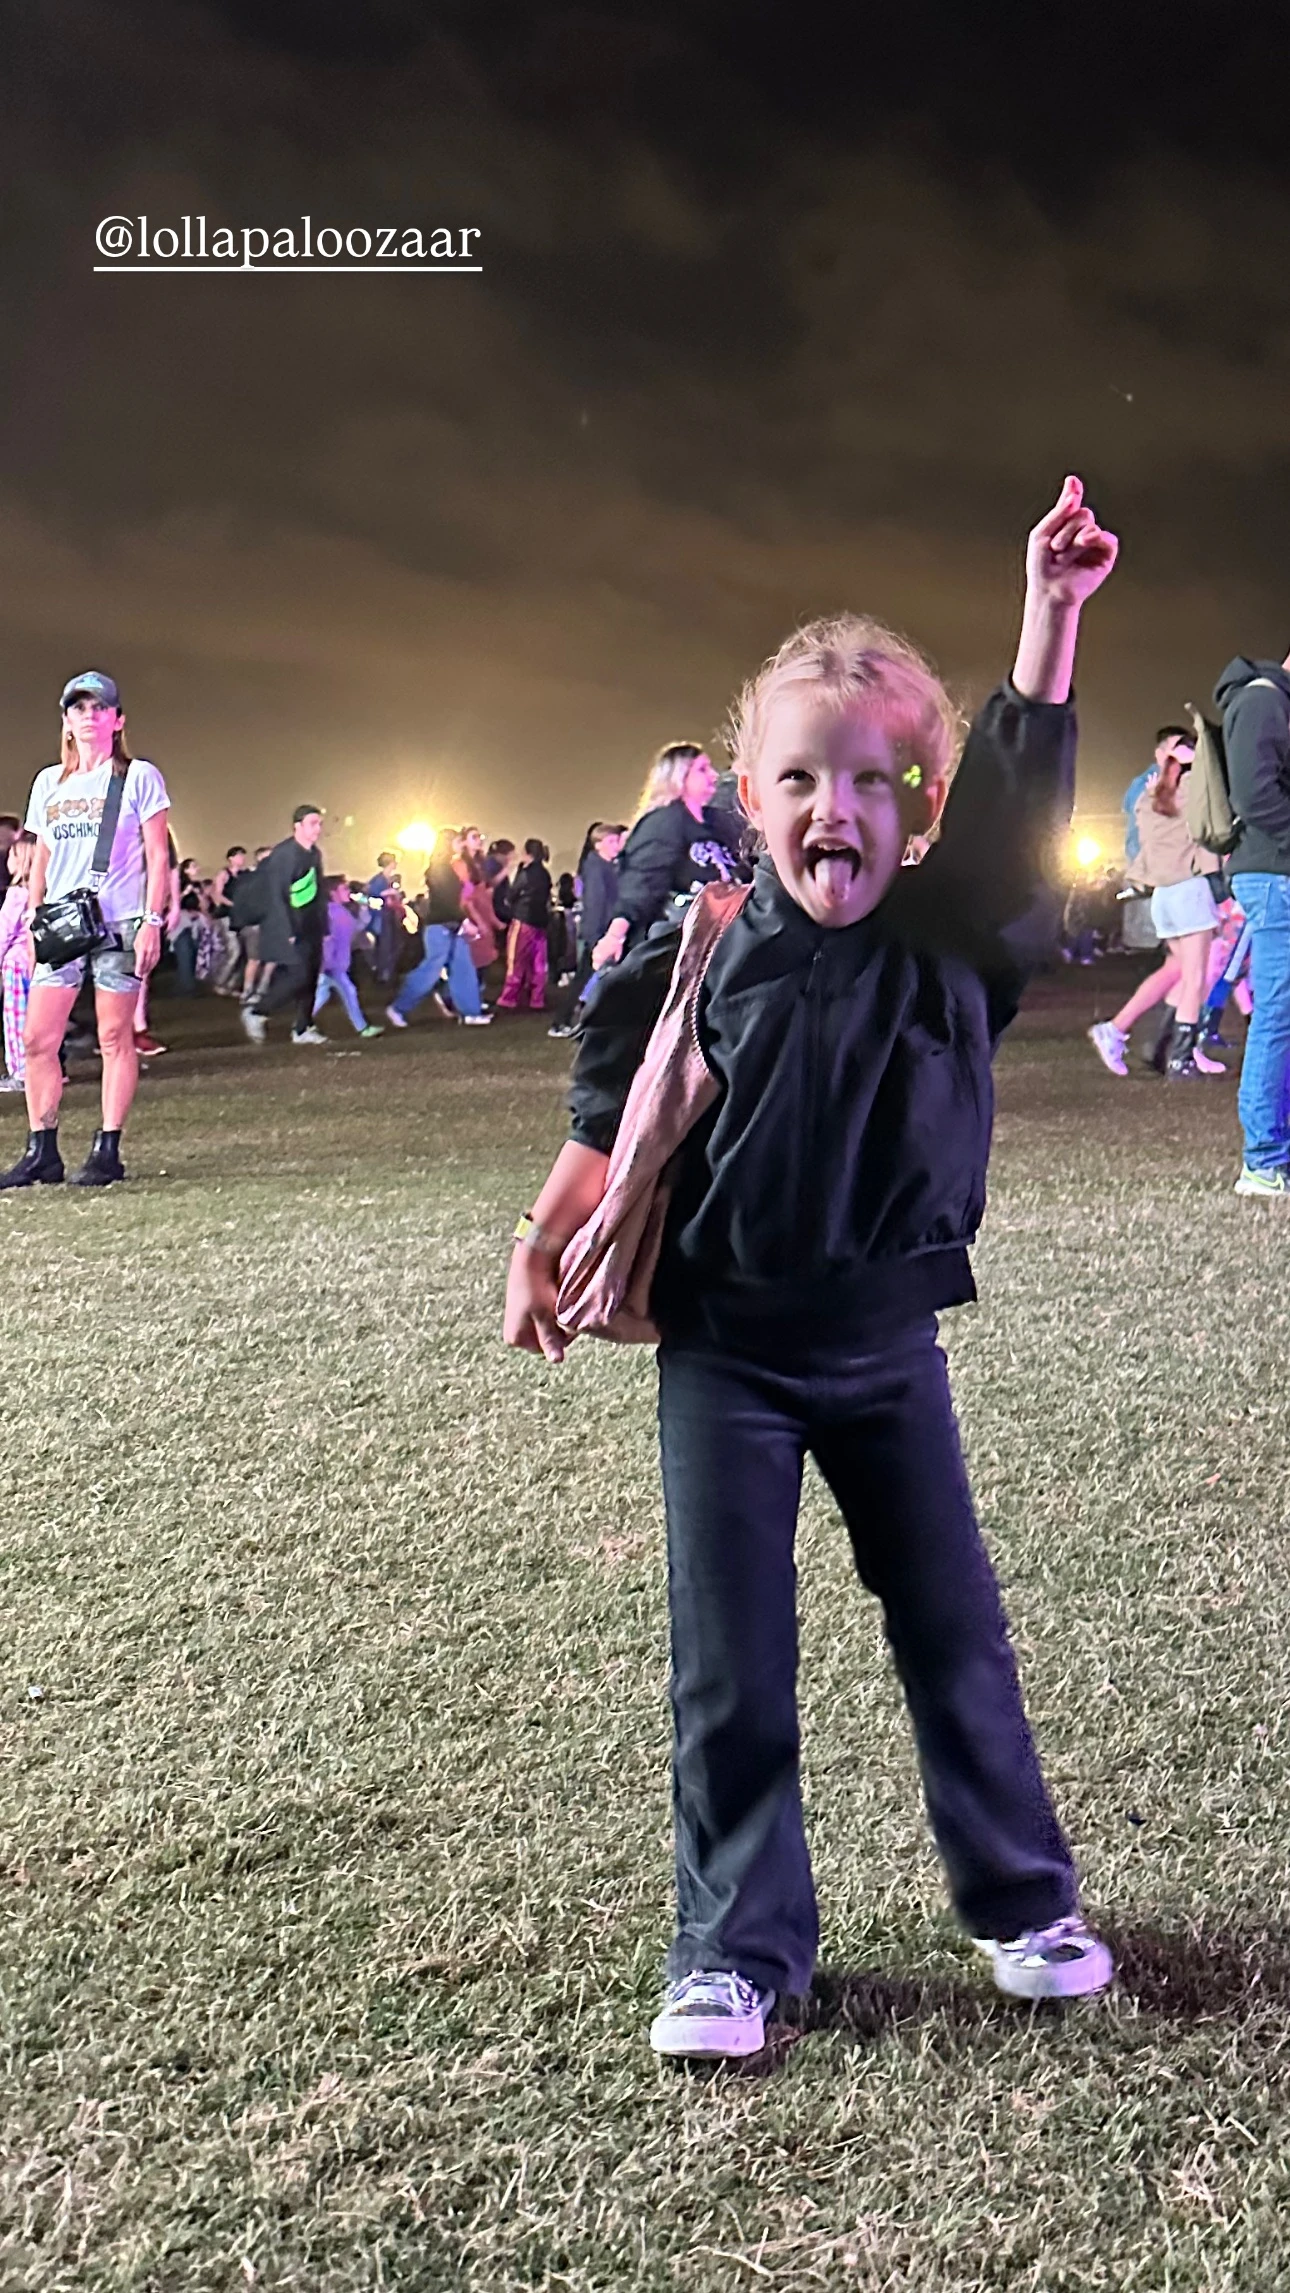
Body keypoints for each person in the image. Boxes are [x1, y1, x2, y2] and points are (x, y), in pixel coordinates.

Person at [505, 476, 1119, 2062]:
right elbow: (608, 1119)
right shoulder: (697, 946)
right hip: (720, 1350)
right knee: (730, 1653)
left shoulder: (956, 935)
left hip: (885, 1348)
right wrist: (540, 1238)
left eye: (869, 779)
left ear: (916, 805)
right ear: (751, 795)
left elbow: (1013, 795)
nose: (829, 807)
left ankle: (1017, 1899)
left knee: (950, 1625)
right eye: (796, 776)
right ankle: (735, 1948)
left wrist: (1048, 621)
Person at [1, 669, 170, 1189]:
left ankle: (107, 1147)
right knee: (37, 1039)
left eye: (100, 708)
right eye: (79, 708)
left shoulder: (139, 776)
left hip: (119, 921)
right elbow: (42, 857)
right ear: (66, 721)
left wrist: (152, 921)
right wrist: (32, 921)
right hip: (62, 924)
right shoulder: (50, 783)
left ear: (117, 720)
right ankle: (41, 1150)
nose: (89, 717)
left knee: (115, 1034)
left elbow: (158, 856)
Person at [1088, 749, 1223, 1079]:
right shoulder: (1194, 790)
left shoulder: (1148, 798)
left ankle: (1117, 1030)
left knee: (1175, 969)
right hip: (1189, 890)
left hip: (1163, 896)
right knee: (1195, 979)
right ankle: (1181, 1058)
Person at [1214, 653, 1290, 1196]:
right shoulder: (1262, 700)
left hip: (1276, 870)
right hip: (1275, 874)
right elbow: (1255, 793)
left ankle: (1270, 1155)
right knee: (1278, 1017)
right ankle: (1262, 1161)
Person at [591, 743, 743, 973]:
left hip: (724, 940)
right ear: (679, 777)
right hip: (679, 945)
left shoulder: (719, 822)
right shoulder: (663, 823)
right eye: (702, 769)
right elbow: (642, 884)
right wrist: (614, 935)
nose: (713, 775)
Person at [241, 806, 328, 1046]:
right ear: (297, 826)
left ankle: (302, 1028)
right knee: (298, 976)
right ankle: (258, 1011)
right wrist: (286, 929)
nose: (317, 829)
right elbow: (277, 895)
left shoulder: (314, 854)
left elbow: (319, 892)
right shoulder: (284, 854)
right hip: (292, 927)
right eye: (312, 823)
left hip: (312, 926)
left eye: (319, 823)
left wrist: (324, 926)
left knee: (310, 977)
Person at [385, 836, 492, 1029]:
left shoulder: (446, 868)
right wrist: (464, 922)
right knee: (430, 971)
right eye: (458, 841)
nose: (462, 845)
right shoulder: (440, 869)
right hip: (441, 926)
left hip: (451, 925)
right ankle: (398, 1007)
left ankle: (471, 1012)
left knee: (464, 968)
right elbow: (445, 902)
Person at [548, 822, 627, 1038]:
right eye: (611, 841)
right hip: (599, 931)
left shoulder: (608, 866)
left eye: (616, 840)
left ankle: (569, 1020)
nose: (616, 845)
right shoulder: (596, 868)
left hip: (604, 930)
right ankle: (561, 1022)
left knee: (587, 978)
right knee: (584, 978)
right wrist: (599, 934)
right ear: (598, 844)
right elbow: (596, 903)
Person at [313, 876, 382, 1037]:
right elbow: (327, 940)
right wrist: (325, 962)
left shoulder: (337, 911)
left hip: (333, 964)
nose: (348, 891)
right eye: (344, 889)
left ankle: (300, 1026)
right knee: (347, 992)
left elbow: (356, 927)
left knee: (323, 995)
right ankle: (363, 1028)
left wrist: (364, 908)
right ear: (332, 892)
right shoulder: (332, 912)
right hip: (331, 965)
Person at [497, 838, 553, 1011]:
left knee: (516, 960)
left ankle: (509, 997)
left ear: (527, 853)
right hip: (541, 921)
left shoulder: (526, 873)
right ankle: (537, 998)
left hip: (523, 919)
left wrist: (509, 902)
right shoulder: (545, 873)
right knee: (539, 962)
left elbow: (512, 894)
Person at [0, 830, 36, 1090]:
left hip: (16, 963)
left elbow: (4, 930)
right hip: (37, 962)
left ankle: (21, 1073)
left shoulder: (16, 894)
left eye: (12, 854)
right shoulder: (43, 891)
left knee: (16, 1020)